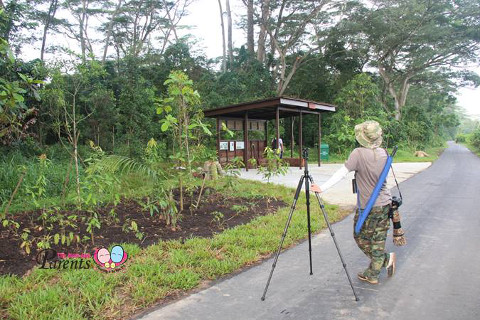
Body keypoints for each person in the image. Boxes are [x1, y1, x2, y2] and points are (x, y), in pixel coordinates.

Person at [311, 120, 396, 284]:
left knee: (360, 236)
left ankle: (381, 263)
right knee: (378, 240)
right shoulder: (384, 153)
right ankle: (378, 266)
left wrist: (322, 188)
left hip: (368, 206)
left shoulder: (358, 153)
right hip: (385, 203)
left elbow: (341, 173)